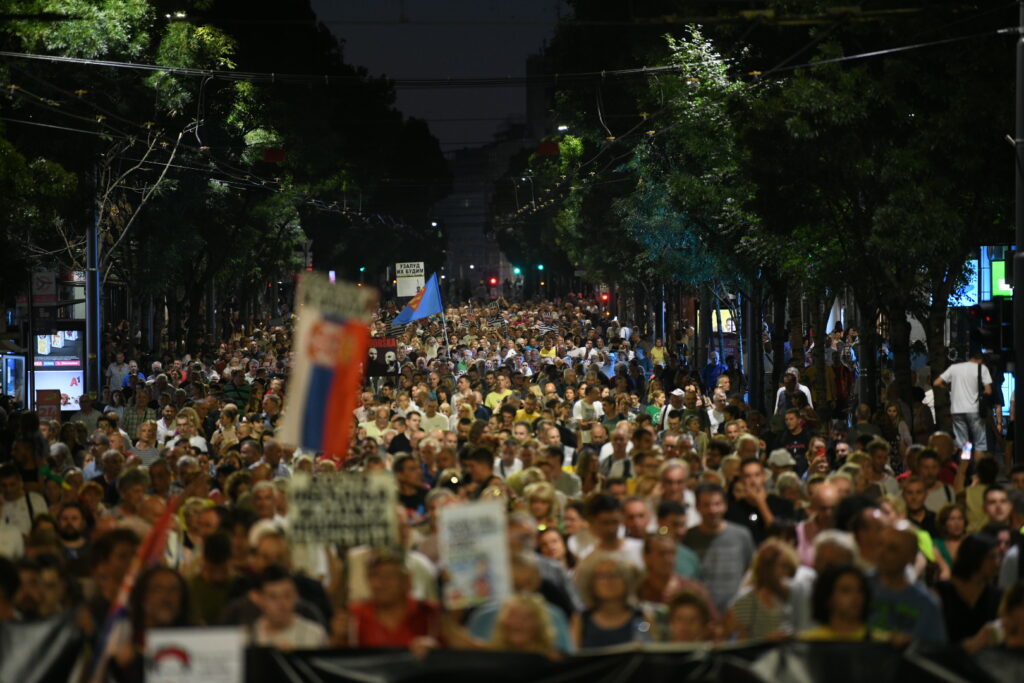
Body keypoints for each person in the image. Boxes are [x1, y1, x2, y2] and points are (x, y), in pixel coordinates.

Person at [867, 521, 946, 642]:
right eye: (880, 544)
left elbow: (933, 650)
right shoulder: (858, 586)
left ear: (911, 557)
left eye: (892, 549)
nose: (882, 552)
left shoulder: (926, 604)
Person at [683, 484, 755, 613]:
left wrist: (741, 597)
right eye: (706, 505)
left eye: (717, 504)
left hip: (735, 612)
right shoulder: (688, 537)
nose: (712, 510)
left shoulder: (741, 535)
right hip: (700, 612)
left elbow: (751, 568)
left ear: (725, 505)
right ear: (697, 507)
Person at [723, 538, 797, 640]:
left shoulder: (793, 597)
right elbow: (726, 637)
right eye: (781, 567)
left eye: (786, 567)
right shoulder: (746, 602)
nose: (784, 573)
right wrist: (766, 641)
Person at [573, 551, 650, 648]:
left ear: (627, 580)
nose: (608, 581)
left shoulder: (642, 617)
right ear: (590, 583)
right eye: (601, 576)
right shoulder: (581, 620)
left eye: (615, 574)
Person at [935, 533, 1001, 644]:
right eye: (991, 557)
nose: (997, 563)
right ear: (975, 557)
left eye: (998, 557)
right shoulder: (942, 592)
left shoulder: (996, 595)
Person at [800, 565, 886, 641]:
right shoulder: (807, 642)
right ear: (828, 597)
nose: (856, 597)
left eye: (860, 591)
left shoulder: (881, 642)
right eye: (846, 590)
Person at [251, 564, 328, 649]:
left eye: (287, 596)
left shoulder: (315, 635)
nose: (282, 604)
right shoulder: (250, 634)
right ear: (261, 600)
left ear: (296, 596)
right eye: (273, 597)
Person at [934, 351, 993, 457]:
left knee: (964, 444)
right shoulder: (981, 370)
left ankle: (963, 469)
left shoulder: (956, 370)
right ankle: (978, 471)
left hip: (957, 411)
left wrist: (948, 388)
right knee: (979, 444)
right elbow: (988, 391)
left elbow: (937, 382)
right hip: (974, 411)